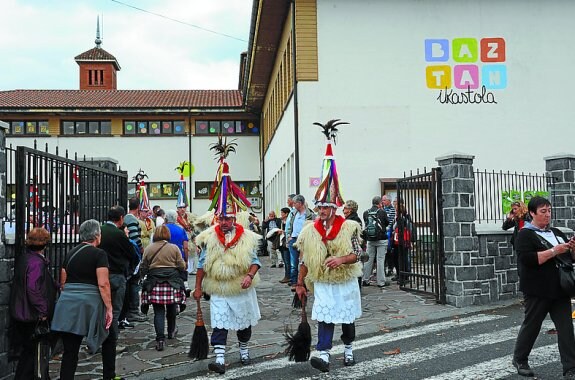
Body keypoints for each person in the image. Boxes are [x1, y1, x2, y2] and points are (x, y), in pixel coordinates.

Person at [295, 118, 362, 373]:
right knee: (324, 317)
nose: (321, 210)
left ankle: (348, 348)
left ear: (334, 208)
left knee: (346, 319)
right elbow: (303, 258)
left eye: (326, 207)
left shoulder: (349, 227)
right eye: (319, 206)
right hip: (322, 280)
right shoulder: (309, 230)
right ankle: (323, 353)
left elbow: (359, 254)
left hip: (344, 280)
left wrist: (341, 260)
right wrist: (300, 282)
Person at [193, 134, 262, 375]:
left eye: (228, 218)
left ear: (234, 218)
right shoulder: (208, 237)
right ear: (217, 218)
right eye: (221, 217)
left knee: (243, 325)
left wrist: (249, 276)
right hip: (219, 288)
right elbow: (201, 264)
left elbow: (254, 262)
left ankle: (243, 349)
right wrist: (198, 286)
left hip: (240, 287)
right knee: (220, 324)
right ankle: (220, 359)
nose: (224, 221)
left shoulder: (247, 237)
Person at [512, 196, 575, 378]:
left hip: (560, 289)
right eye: (543, 211)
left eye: (549, 210)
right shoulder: (525, 234)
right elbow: (529, 260)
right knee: (532, 325)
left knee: (566, 329)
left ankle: (570, 367)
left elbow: (570, 259)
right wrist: (556, 250)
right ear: (532, 213)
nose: (547, 215)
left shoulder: (556, 232)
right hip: (537, 289)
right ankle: (520, 359)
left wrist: (571, 248)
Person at [50, 220, 115, 380]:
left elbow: (63, 281)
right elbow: (103, 283)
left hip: (68, 303)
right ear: (97, 235)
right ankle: (109, 375)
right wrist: (109, 308)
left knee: (70, 349)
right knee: (109, 336)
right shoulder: (99, 254)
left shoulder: (70, 253)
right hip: (90, 303)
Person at [10, 227, 58, 380]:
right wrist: (43, 310)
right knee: (33, 353)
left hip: (20, 312)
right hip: (32, 315)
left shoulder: (25, 259)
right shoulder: (37, 263)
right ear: (45, 244)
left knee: (29, 352)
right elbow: (33, 288)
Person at [98, 206, 138, 363]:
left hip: (99, 275)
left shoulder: (99, 230)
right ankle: (111, 342)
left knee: (100, 310)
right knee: (114, 311)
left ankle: (95, 340)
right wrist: (130, 269)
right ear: (121, 218)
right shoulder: (119, 234)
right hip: (116, 275)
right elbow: (131, 253)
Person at [140, 225, 186, 351]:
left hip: (154, 282)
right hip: (172, 282)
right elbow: (182, 266)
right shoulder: (174, 248)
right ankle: (171, 331)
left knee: (158, 312)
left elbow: (143, 267)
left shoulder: (149, 249)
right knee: (171, 307)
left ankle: (160, 339)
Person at [120, 198, 147, 325]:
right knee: (134, 283)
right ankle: (133, 311)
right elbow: (135, 238)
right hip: (133, 256)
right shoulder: (131, 219)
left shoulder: (126, 218)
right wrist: (141, 250)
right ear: (138, 207)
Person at [286, 194, 314, 290]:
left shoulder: (310, 214)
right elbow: (289, 225)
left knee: (305, 262)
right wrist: (289, 236)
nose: (293, 205)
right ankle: (294, 282)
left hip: (304, 240)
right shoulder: (294, 213)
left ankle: (305, 282)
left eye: (294, 203)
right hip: (293, 239)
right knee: (294, 263)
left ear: (300, 203)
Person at [362, 195, 389, 288]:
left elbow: (366, 223)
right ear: (380, 203)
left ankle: (365, 279)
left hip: (370, 239)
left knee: (368, 260)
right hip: (382, 239)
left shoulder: (366, 212)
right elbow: (387, 223)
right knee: (380, 260)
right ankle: (381, 282)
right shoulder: (382, 212)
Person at [164, 210, 190, 294]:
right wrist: (186, 259)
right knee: (180, 273)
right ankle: (184, 287)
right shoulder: (181, 230)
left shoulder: (161, 229)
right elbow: (185, 247)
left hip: (165, 256)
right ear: (175, 218)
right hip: (179, 256)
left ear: (166, 218)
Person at [381, 195, 396, 276]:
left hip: (388, 232)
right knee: (384, 251)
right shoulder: (382, 209)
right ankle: (384, 268)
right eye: (382, 200)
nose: (382, 202)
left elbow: (390, 221)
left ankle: (390, 268)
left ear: (389, 201)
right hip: (383, 231)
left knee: (389, 251)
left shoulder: (392, 210)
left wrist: (386, 228)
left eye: (384, 200)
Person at [278, 207, 292, 283]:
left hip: (286, 242)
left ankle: (289, 276)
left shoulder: (289, 221)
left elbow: (289, 230)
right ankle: (287, 275)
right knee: (284, 260)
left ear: (286, 214)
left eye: (282, 213)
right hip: (281, 242)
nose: (281, 214)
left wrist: (283, 231)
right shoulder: (280, 221)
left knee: (287, 261)